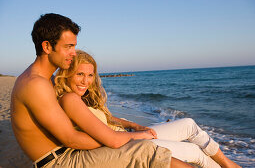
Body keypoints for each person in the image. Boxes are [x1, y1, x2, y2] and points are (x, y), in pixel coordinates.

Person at [10, 13, 192, 168]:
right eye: (68, 47)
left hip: (66, 154)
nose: (74, 53)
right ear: (47, 46)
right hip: (61, 162)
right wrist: (119, 138)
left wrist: (118, 134)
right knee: (143, 150)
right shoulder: (35, 84)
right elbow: (71, 138)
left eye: (74, 46)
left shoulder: (44, 79)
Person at [55, 50, 241, 168]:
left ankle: (228, 164)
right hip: (126, 146)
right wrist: (139, 135)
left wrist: (135, 125)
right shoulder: (69, 99)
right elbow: (107, 139)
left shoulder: (82, 98)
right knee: (194, 152)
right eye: (80, 74)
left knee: (189, 124)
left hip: (126, 135)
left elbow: (109, 118)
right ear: (67, 73)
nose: (86, 81)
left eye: (89, 75)